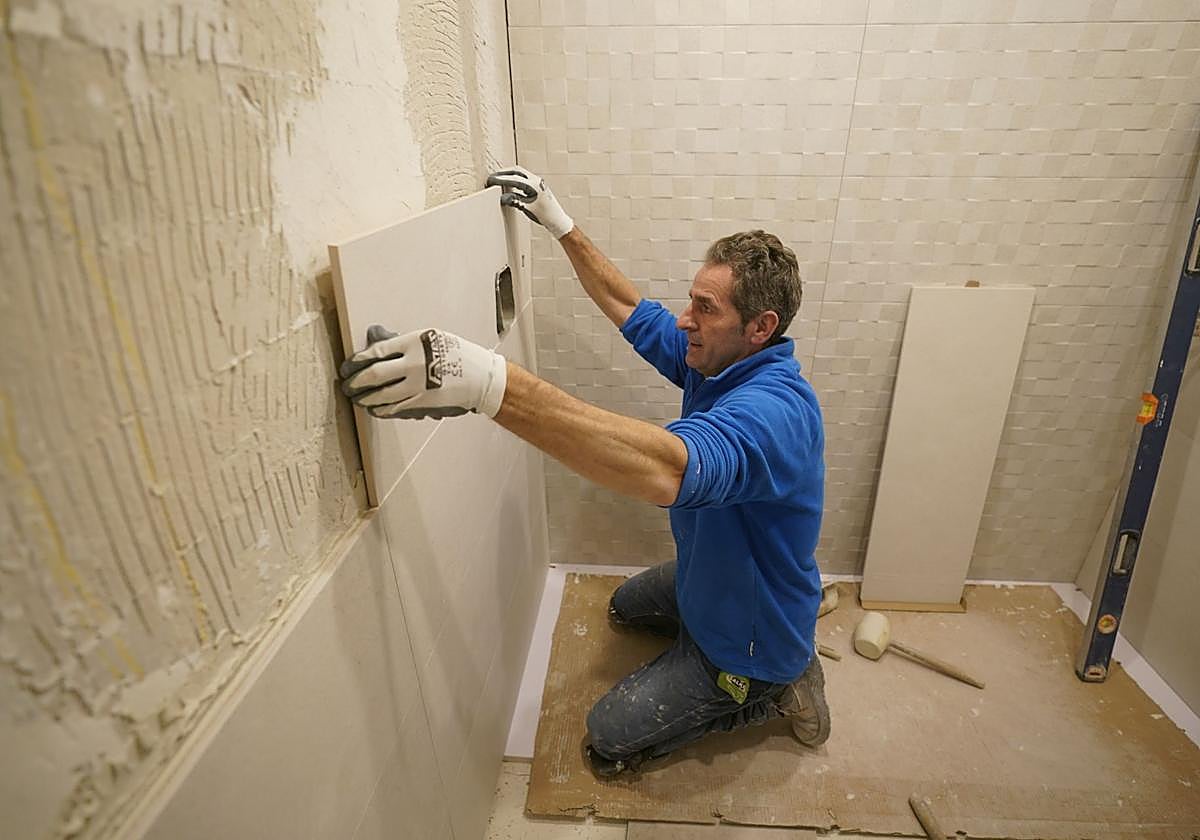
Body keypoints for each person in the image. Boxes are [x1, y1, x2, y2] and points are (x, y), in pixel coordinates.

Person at [339, 166, 829, 776]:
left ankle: (774, 685)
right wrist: (558, 222)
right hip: (719, 575)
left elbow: (666, 471)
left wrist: (485, 381)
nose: (684, 319)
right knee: (624, 608)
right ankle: (762, 635)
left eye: (704, 308)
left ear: (761, 329)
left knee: (607, 737)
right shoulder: (720, 359)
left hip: (750, 638)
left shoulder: (774, 412)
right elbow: (633, 309)